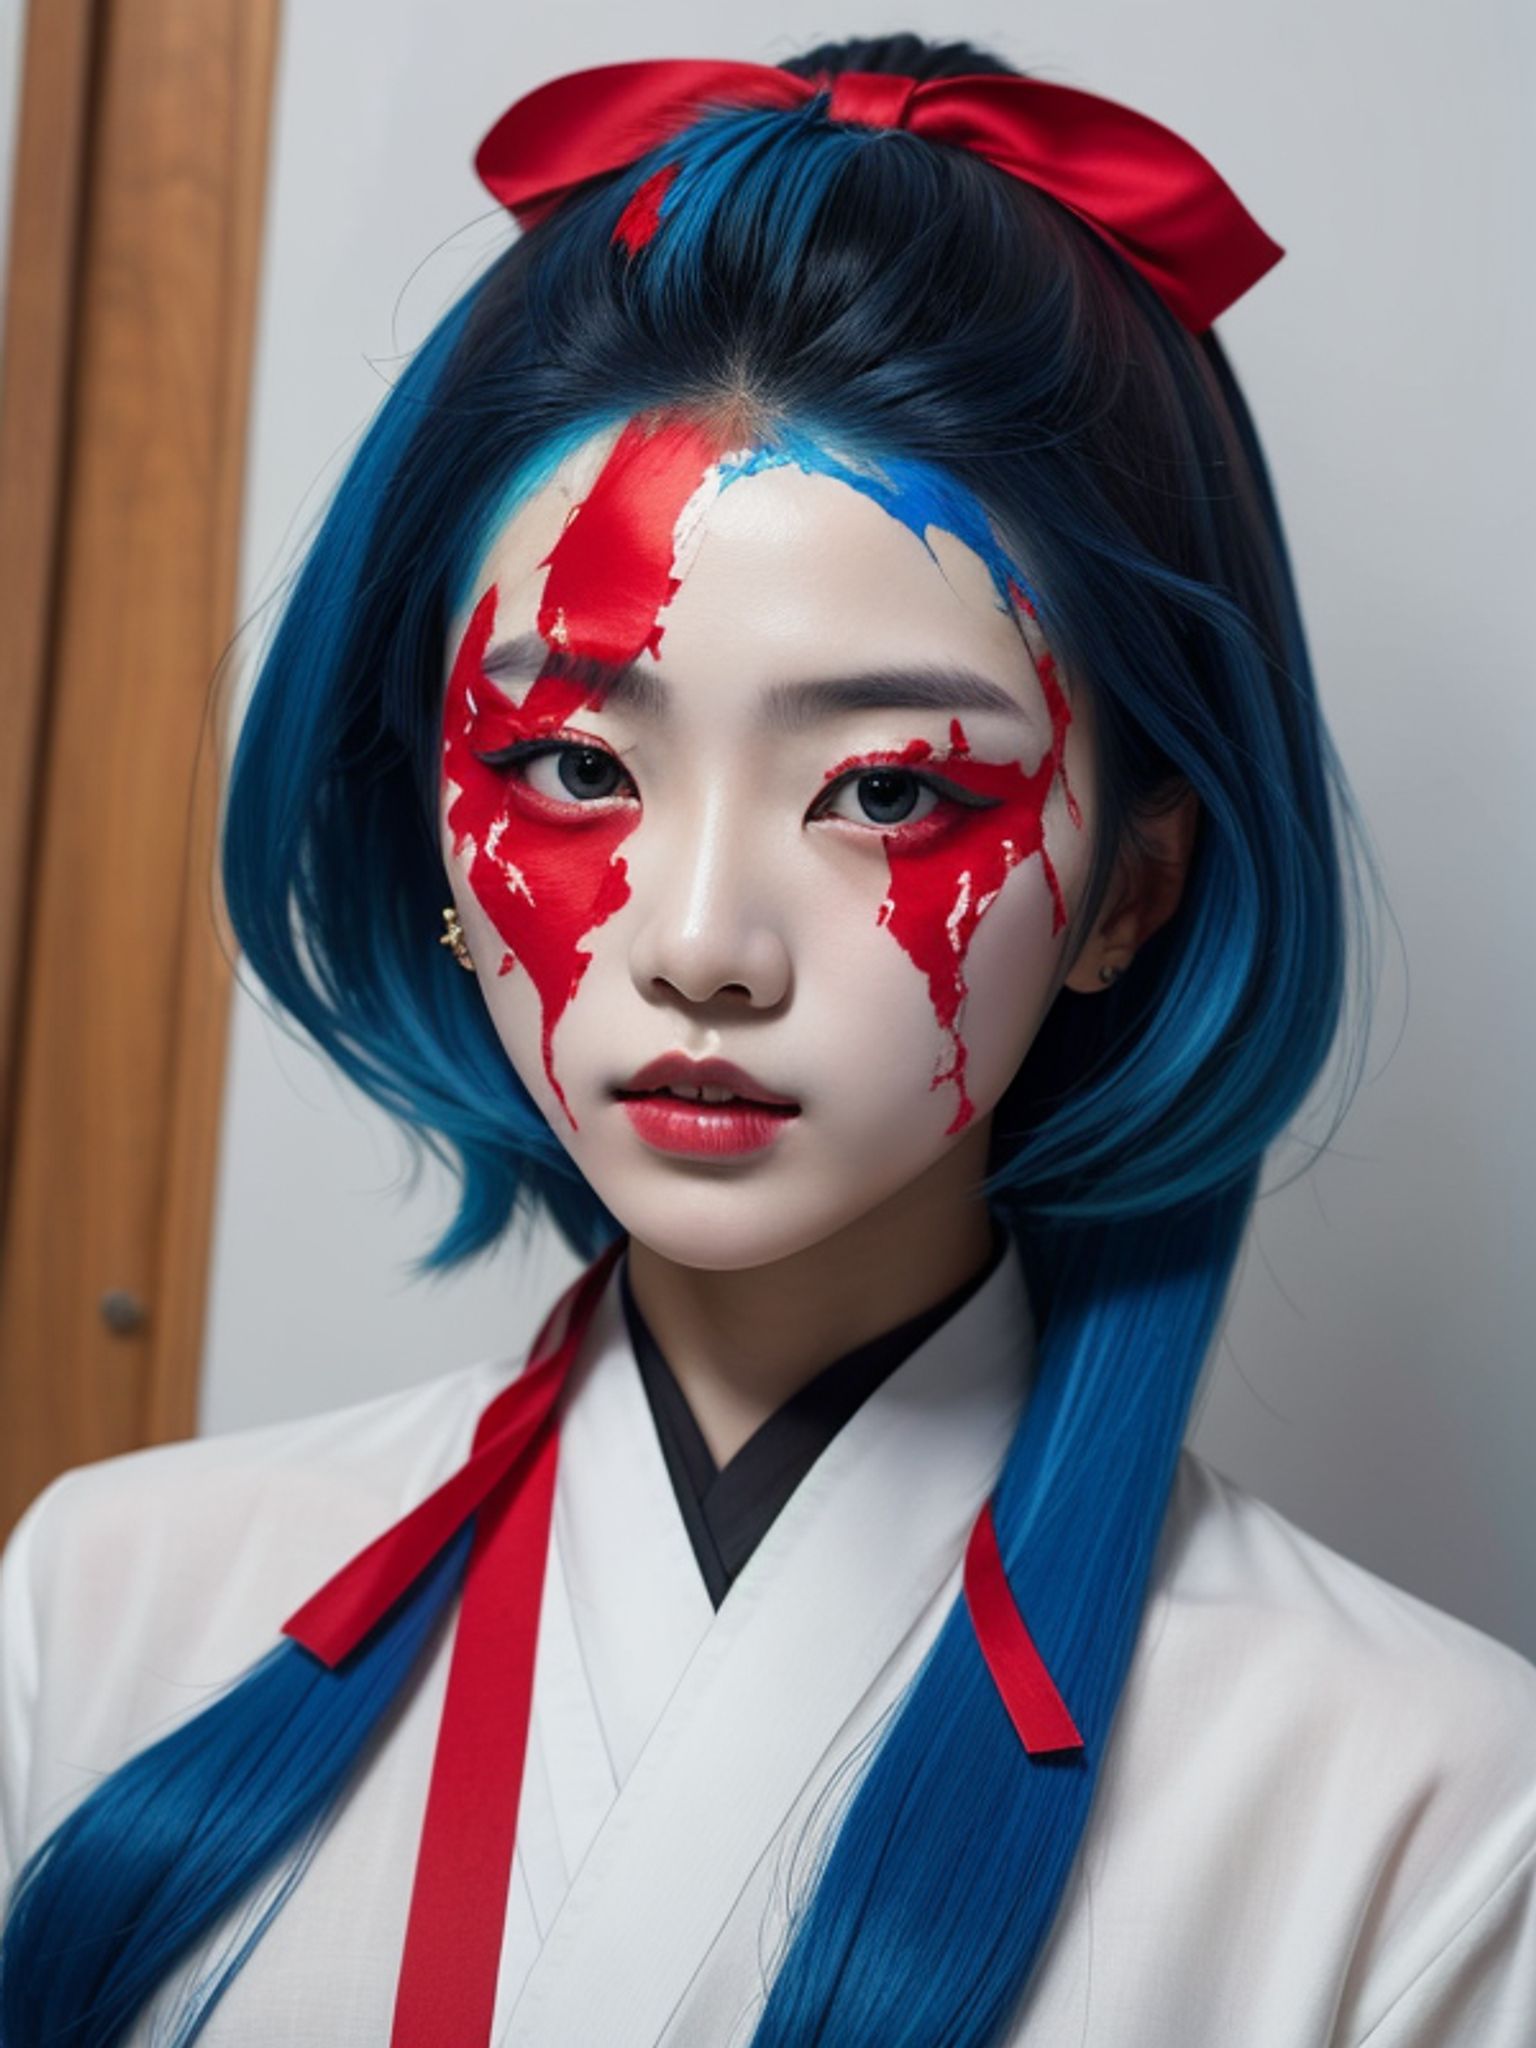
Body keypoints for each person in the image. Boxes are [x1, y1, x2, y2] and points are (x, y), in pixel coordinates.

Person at [2, 32, 1533, 2048]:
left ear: (1133, 885)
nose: (704, 943)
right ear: (432, 841)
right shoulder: (110, 1605)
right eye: (566, 764)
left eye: (891, 793)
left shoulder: (1427, 1809)